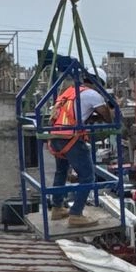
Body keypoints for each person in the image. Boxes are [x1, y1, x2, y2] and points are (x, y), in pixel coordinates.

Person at [49, 81, 112, 225]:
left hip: (56, 136)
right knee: (88, 177)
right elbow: (108, 118)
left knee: (61, 171)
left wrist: (91, 116)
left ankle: (57, 207)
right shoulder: (93, 94)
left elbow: (75, 114)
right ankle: (76, 214)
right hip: (70, 138)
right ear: (98, 82)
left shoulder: (69, 92)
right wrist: (109, 107)